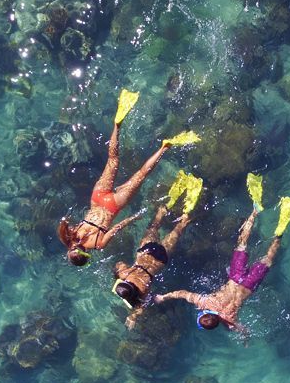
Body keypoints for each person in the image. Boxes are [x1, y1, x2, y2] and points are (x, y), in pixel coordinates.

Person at [57, 90, 197, 266]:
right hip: (97, 197)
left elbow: (117, 227)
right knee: (113, 159)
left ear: (86, 255)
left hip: (112, 206)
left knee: (141, 174)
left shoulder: (98, 244)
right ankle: (117, 124)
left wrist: (133, 219)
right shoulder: (71, 236)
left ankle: (164, 147)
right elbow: (65, 222)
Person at [154, 209, 280, 341]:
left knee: (268, 259)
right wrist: (163, 297)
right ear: (203, 313)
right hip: (235, 277)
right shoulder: (205, 302)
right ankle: (254, 212)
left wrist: (245, 340)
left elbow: (244, 330)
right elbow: (182, 293)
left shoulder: (229, 321)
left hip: (248, 286)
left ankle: (279, 236)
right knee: (242, 244)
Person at [114, 204, 192, 329]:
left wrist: (133, 317)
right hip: (146, 251)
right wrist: (116, 274)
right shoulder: (125, 274)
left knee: (178, 231)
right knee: (154, 226)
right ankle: (161, 212)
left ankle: (185, 218)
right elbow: (119, 263)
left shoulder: (143, 292)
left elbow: (141, 308)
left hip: (160, 259)